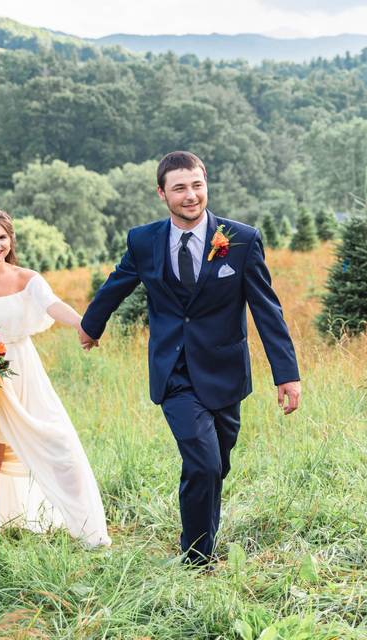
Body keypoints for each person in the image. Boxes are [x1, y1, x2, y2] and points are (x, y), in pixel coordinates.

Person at [80, 151, 300, 565]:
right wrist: (92, 326)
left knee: (216, 465)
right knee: (202, 463)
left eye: (196, 185)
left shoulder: (241, 240)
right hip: (174, 372)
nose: (190, 195)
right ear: (162, 193)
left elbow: (267, 310)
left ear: (206, 184)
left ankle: (201, 539)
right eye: (179, 187)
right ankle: (197, 556)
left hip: (225, 373)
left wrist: (286, 374)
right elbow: (117, 284)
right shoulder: (144, 241)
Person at [0, 208, 110, 547]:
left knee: (59, 444)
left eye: (2, 237)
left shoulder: (25, 279)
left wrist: (82, 325)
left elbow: (53, 305)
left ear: (11, 240)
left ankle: (87, 529)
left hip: (23, 369)